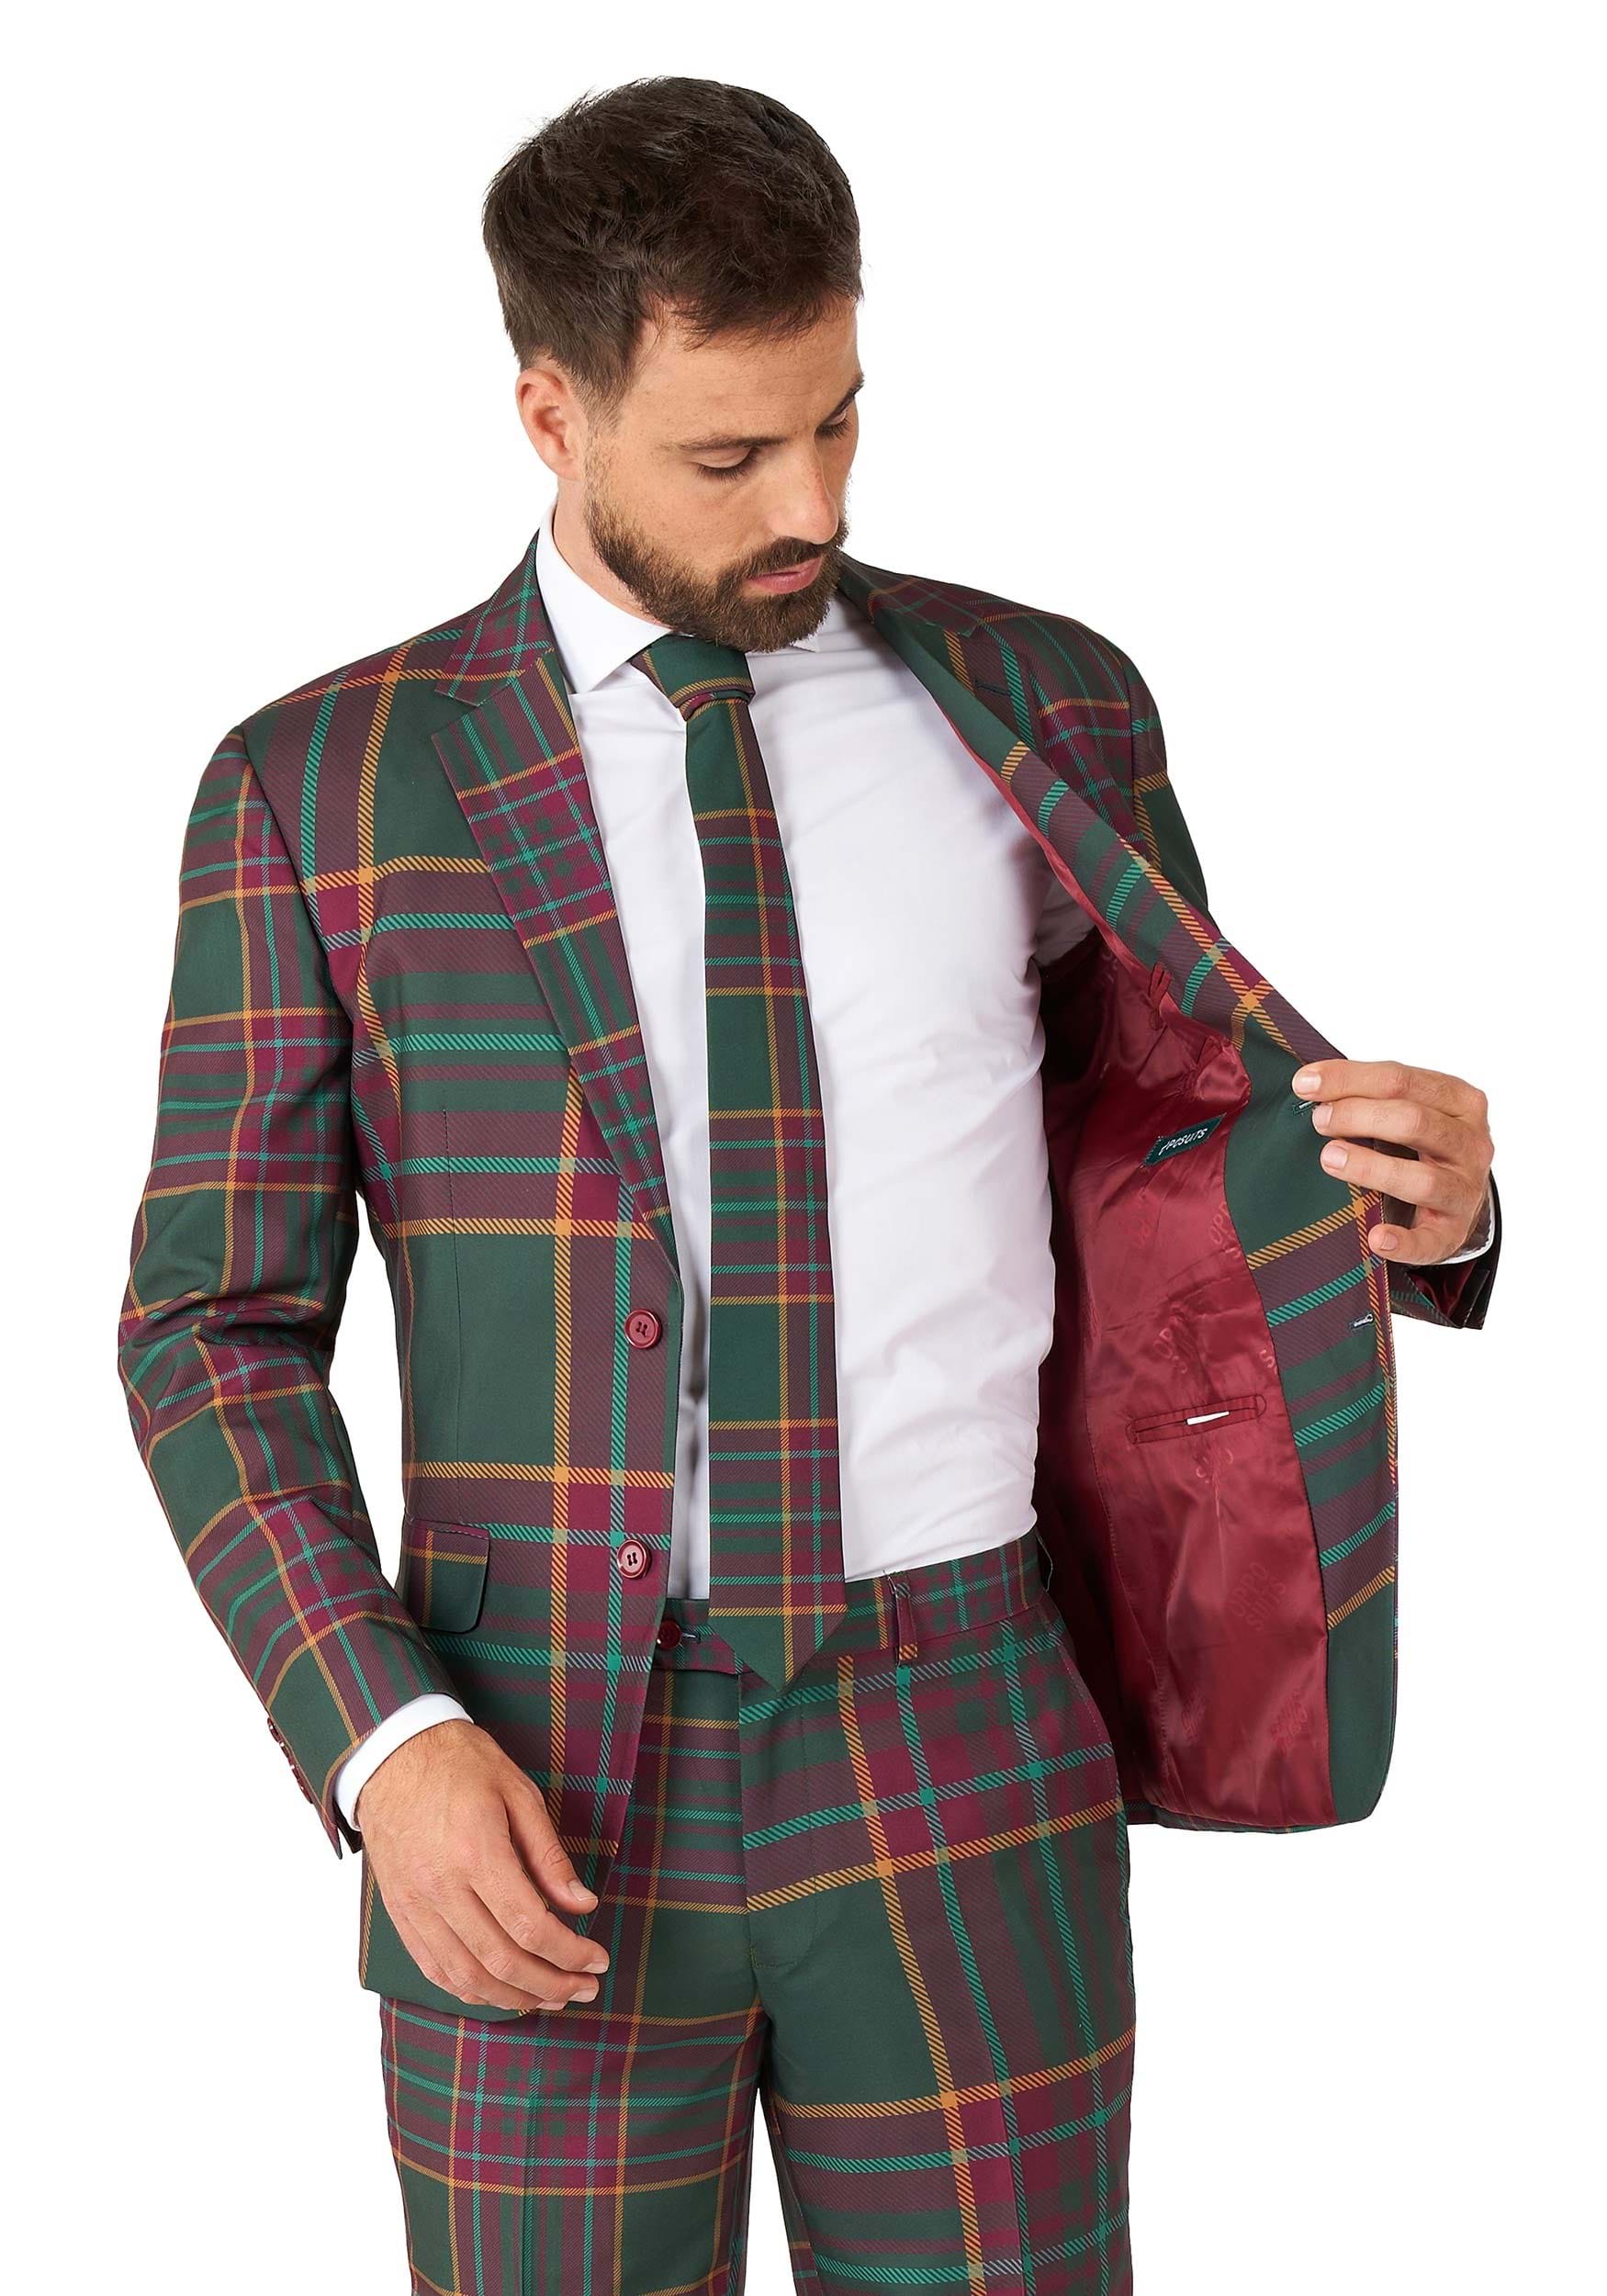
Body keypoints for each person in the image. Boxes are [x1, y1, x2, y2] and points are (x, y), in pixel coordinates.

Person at [118, 74, 1499, 2295]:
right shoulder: (320, 787)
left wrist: (1418, 1210)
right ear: (549, 413)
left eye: (841, 420)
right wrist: (377, 1732)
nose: (812, 504)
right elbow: (211, 1326)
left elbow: (1167, 1151)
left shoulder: (1040, 701)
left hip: (962, 1719)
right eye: (729, 455)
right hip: (527, 1770)